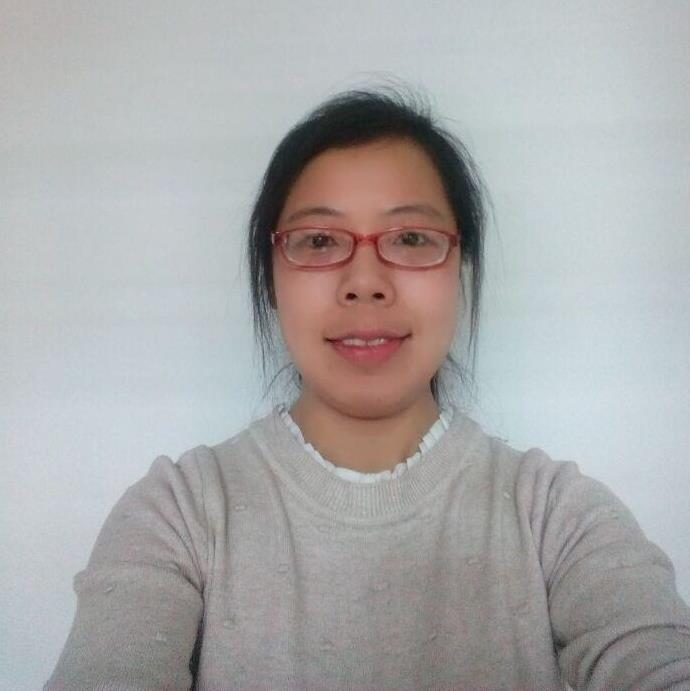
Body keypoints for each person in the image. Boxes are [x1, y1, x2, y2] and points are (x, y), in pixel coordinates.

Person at [45, 90, 690, 690]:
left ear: (460, 270)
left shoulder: (555, 515)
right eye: (319, 241)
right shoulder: (179, 514)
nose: (364, 282)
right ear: (271, 279)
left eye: (410, 238)